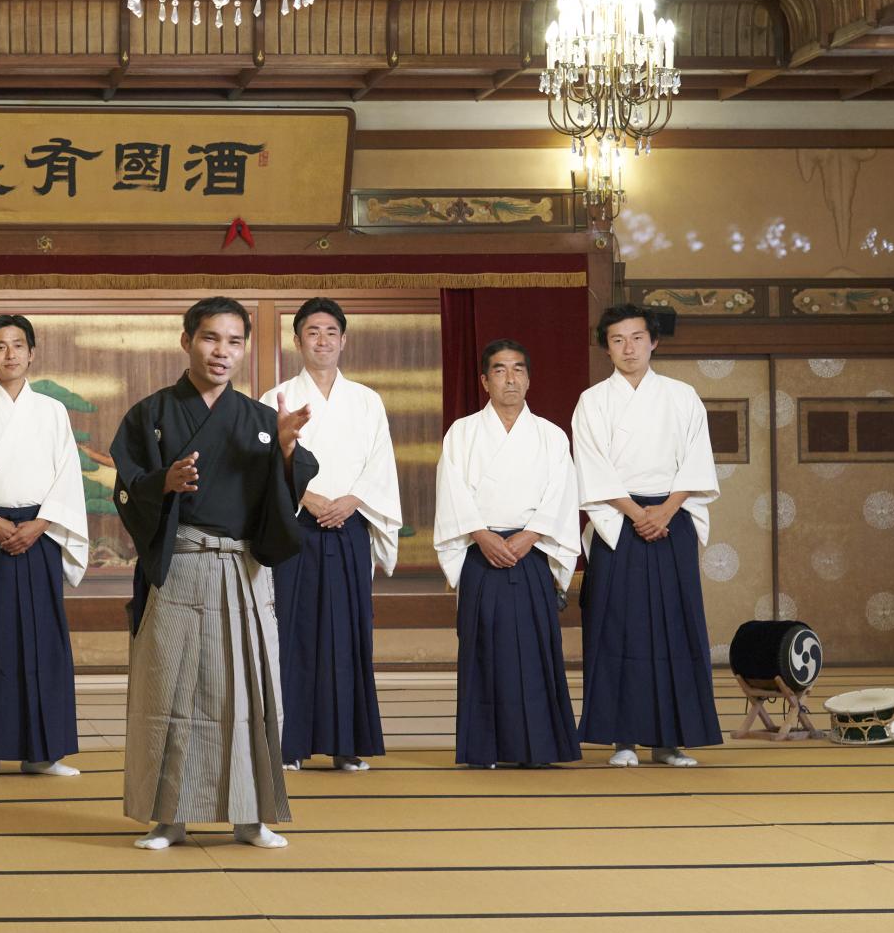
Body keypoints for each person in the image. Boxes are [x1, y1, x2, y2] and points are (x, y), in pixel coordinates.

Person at [108, 296, 315, 851]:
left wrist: (290, 452)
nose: (221, 351)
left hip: (242, 567)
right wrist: (163, 485)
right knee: (169, 690)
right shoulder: (150, 415)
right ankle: (168, 816)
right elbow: (127, 487)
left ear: (244, 347)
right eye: (210, 338)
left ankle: (253, 816)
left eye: (233, 341)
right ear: (186, 341)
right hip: (179, 564)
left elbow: (284, 495)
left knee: (250, 691)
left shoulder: (261, 420)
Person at [572, 304, 722, 768]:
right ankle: (623, 737)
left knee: (674, 629)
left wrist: (667, 511)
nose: (629, 348)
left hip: (671, 520)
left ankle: (670, 739)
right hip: (619, 523)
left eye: (637, 338)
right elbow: (591, 467)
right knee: (616, 628)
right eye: (617, 340)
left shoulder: (682, 396)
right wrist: (638, 514)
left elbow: (697, 461)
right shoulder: (592, 400)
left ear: (653, 342)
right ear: (607, 347)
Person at [0, 314, 90, 781]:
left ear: (31, 352)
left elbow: (67, 474)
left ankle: (45, 752)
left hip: (40, 534)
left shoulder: (51, 411)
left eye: (18, 345)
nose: (10, 354)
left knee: (43, 643)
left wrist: (41, 523)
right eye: (0, 347)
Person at [260, 297, 400, 773]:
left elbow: (380, 464)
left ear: (344, 339)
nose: (321, 340)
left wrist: (353, 501)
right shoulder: (274, 397)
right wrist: (308, 498)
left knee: (348, 631)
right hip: (296, 525)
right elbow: (264, 466)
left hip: (349, 525)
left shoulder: (366, 400)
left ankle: (347, 742)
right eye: (312, 332)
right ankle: (289, 743)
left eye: (330, 332)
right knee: (291, 630)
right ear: (297, 341)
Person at [434, 338, 582, 769]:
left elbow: (561, 492)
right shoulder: (462, 433)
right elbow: (452, 491)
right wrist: (481, 535)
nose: (510, 378)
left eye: (518, 369)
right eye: (500, 370)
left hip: (531, 553)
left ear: (529, 378)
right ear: (484, 380)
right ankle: (485, 749)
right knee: (483, 648)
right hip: (482, 553)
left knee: (536, 648)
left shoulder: (551, 436)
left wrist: (530, 535)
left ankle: (539, 747)